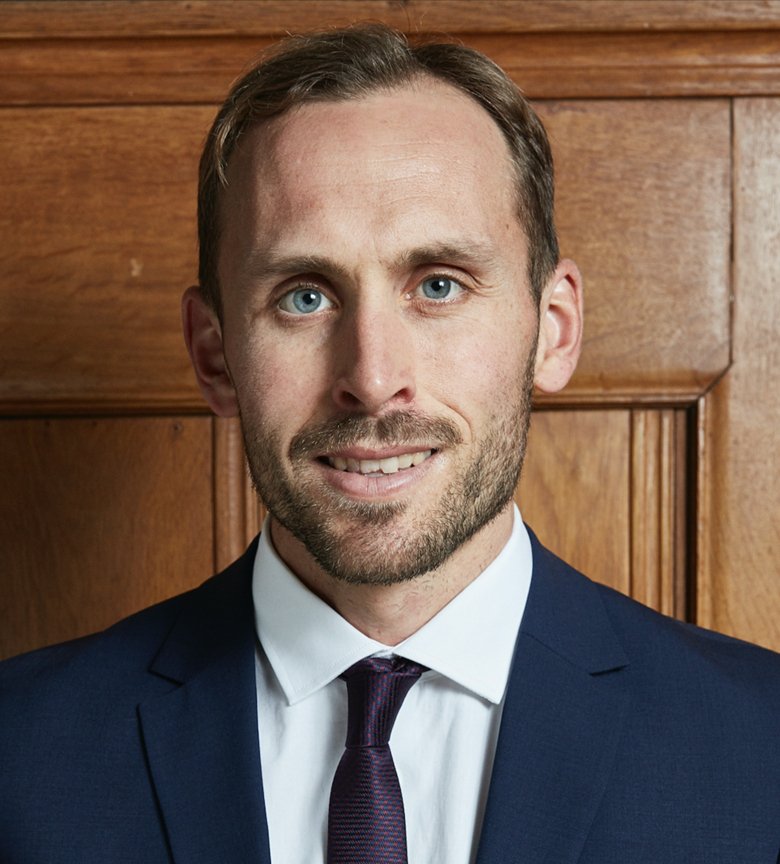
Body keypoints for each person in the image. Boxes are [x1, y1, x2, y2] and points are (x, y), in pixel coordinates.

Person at [1, 24, 778, 864]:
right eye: (304, 297)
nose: (372, 379)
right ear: (215, 354)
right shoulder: (21, 755)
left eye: (438, 285)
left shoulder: (760, 746)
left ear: (553, 330)